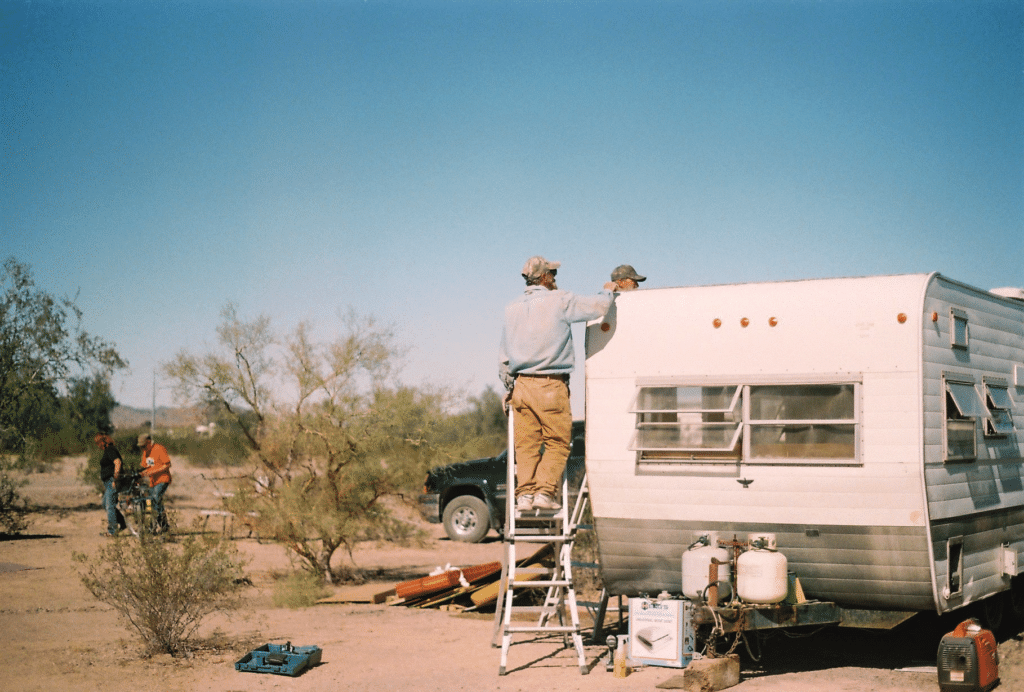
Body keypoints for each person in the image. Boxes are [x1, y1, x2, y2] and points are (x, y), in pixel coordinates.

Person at [499, 256, 616, 511]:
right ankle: (544, 492)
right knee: (557, 441)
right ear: (543, 277)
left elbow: (505, 357)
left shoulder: (512, 308)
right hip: (550, 385)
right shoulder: (560, 300)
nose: (555, 278)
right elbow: (597, 307)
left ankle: (524, 496)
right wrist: (607, 291)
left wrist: (510, 389)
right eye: (552, 274)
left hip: (521, 386)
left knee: (526, 445)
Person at [137, 433, 172, 533]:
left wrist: (152, 471)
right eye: (140, 447)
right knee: (152, 503)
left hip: (163, 479)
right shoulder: (145, 453)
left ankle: (156, 526)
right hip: (152, 482)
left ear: (149, 442)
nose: (142, 448)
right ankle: (163, 526)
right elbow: (145, 468)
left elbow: (167, 464)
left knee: (156, 498)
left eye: (143, 446)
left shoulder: (159, 449)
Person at [95, 433, 127, 536]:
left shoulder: (110, 450)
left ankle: (112, 531)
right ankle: (122, 522)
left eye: (98, 443)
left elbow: (117, 462)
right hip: (108, 482)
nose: (98, 445)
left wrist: (115, 478)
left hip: (112, 481)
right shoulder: (108, 450)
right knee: (105, 504)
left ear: (103, 442)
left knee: (110, 506)